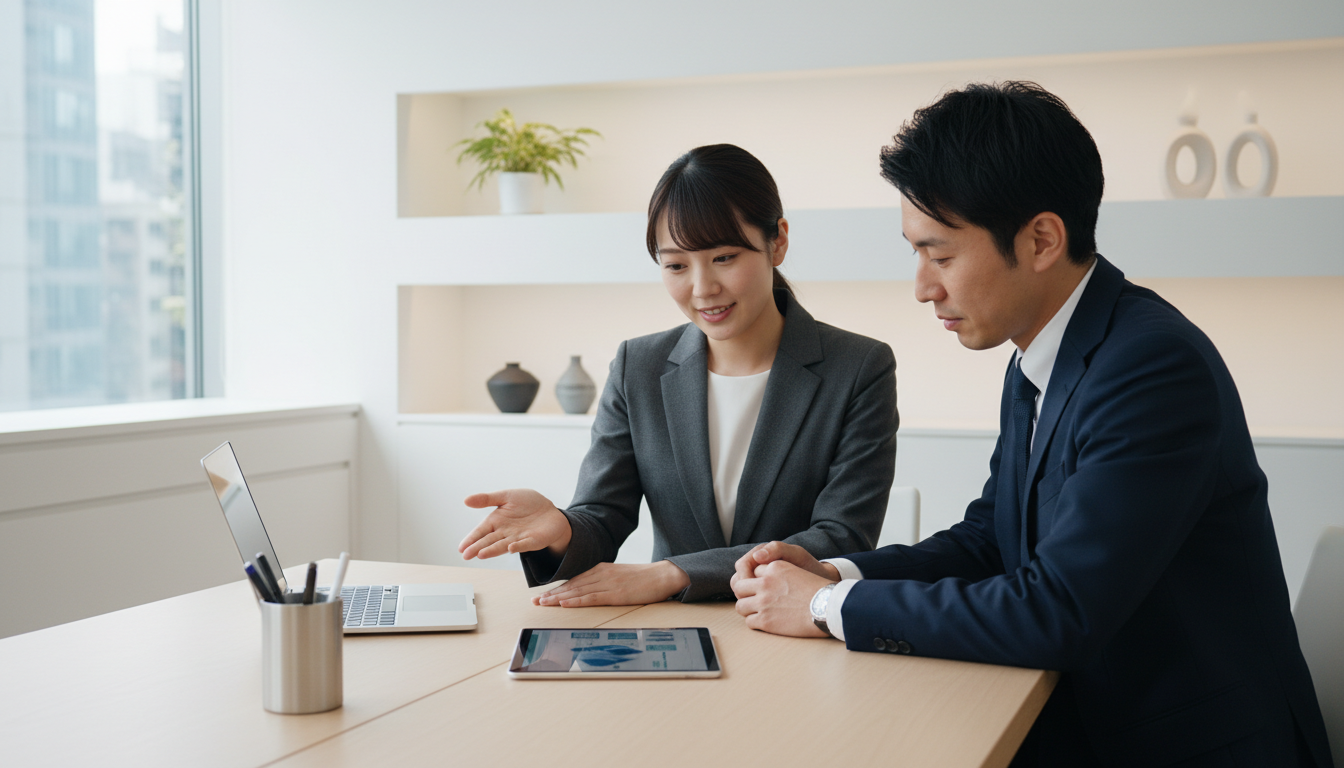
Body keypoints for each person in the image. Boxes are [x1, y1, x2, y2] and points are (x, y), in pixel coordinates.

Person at [730, 83, 1333, 766]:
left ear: (1042, 239)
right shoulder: (1039, 355)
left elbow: (1061, 611)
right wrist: (838, 574)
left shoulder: (1152, 368)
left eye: (942, 254)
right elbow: (994, 539)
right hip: (1083, 722)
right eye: (916, 252)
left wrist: (823, 610)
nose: (924, 286)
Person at [458, 144, 899, 605]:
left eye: (724, 257)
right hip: (670, 630)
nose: (703, 288)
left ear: (779, 241)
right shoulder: (638, 366)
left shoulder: (859, 367)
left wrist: (673, 573)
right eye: (676, 265)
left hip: (792, 625)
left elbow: (842, 538)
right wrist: (561, 529)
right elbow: (603, 515)